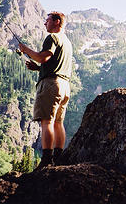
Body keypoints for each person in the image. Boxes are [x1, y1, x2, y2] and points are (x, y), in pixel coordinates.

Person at [19, 11, 73, 169]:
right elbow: (55, 64)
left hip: (51, 85)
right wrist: (38, 69)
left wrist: (25, 49)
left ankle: (47, 160)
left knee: (47, 121)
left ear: (57, 22)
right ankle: (58, 156)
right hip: (64, 86)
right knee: (58, 122)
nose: (45, 23)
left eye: (47, 20)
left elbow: (44, 57)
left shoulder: (53, 38)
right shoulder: (67, 42)